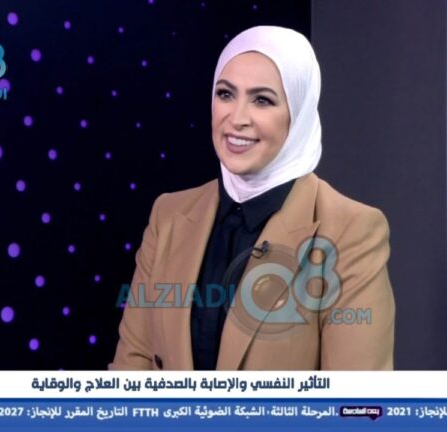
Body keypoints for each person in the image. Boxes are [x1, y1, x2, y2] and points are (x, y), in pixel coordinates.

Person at [110, 26, 394, 371]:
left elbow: (355, 397)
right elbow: (133, 368)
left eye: (262, 100)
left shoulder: (352, 231)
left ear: (298, 114)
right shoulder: (168, 214)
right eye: (225, 94)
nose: (237, 119)